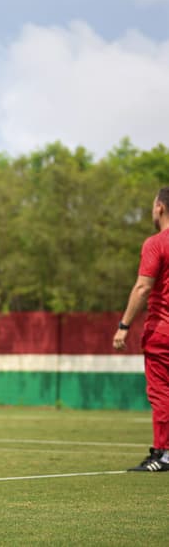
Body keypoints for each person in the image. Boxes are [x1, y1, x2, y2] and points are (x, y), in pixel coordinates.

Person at [114, 187, 169, 472]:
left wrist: (124, 326)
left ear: (160, 207)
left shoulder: (156, 243)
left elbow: (143, 286)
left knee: (161, 393)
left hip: (163, 332)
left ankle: (163, 454)